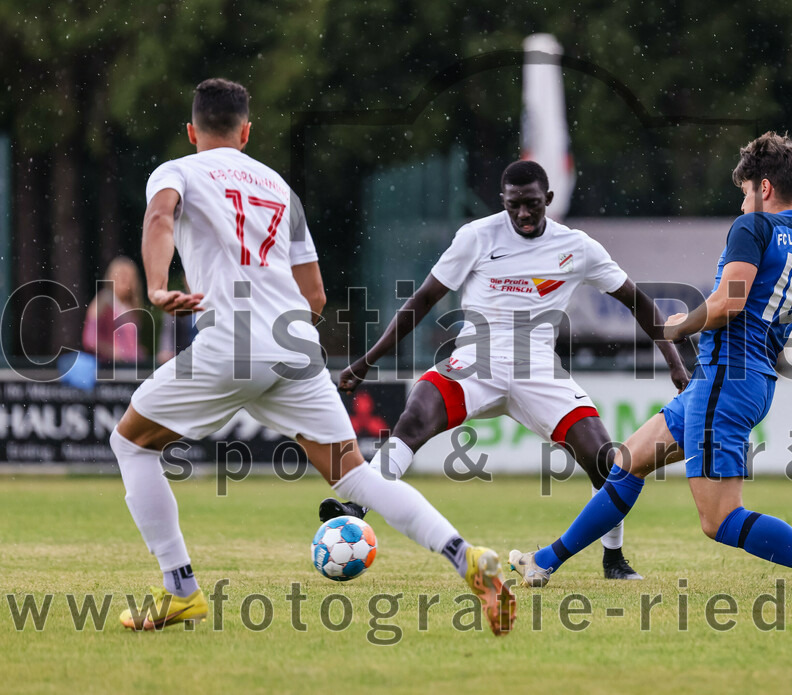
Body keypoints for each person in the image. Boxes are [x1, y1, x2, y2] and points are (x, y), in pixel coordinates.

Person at [112, 78, 515, 635]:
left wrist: (157, 287)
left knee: (130, 443)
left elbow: (159, 219)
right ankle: (465, 556)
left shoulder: (177, 170)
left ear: (191, 130)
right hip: (296, 342)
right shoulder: (279, 187)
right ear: (247, 132)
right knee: (352, 474)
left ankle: (180, 590)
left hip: (231, 338)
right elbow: (317, 295)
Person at [510, 132, 792, 590]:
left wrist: (677, 326)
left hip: (726, 380)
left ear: (763, 187)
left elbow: (730, 302)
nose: (743, 203)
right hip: (746, 381)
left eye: (745, 192)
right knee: (628, 463)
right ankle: (544, 562)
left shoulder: (754, 228)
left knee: (720, 520)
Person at [323, 160, 688, 580]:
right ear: (503, 201)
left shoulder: (578, 247)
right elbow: (421, 301)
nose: (524, 214)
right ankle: (358, 507)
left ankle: (614, 559)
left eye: (533, 204)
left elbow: (638, 301)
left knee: (607, 462)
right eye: (515, 205)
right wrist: (368, 360)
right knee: (416, 413)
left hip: (538, 372)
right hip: (476, 362)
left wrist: (675, 365)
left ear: (548, 199)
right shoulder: (476, 236)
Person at [82, 256, 149, 365]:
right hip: (108, 367)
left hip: (129, 367)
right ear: (111, 277)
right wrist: (114, 352)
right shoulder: (103, 301)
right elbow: (90, 339)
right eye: (120, 275)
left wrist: (137, 352)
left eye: (128, 276)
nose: (124, 280)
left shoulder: (130, 307)